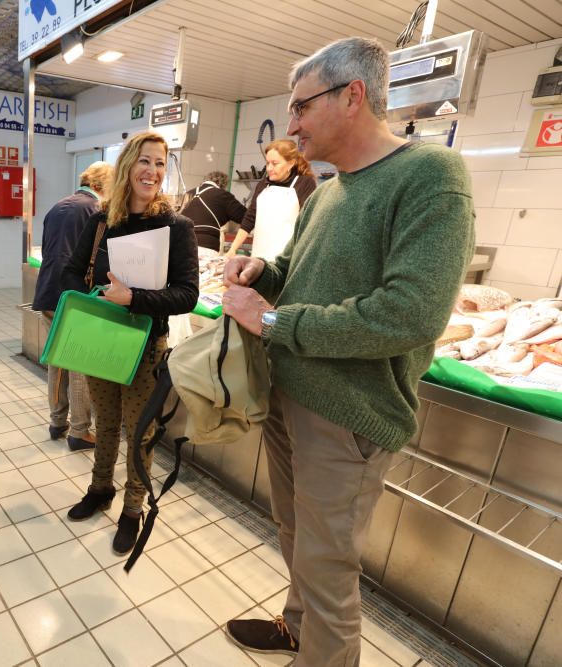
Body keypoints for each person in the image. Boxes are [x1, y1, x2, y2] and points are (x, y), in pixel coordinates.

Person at [219, 37, 474, 665]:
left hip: (350, 414)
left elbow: (410, 314)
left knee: (330, 568)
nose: (293, 125)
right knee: (296, 535)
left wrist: (274, 320)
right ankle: (295, 626)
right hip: (290, 396)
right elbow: (298, 271)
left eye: (302, 107)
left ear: (352, 95)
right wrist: (263, 273)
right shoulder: (329, 191)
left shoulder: (432, 175)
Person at [61, 131, 199, 554]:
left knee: (140, 432)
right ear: (126, 167)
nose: (152, 171)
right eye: (144, 161)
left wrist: (134, 298)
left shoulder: (177, 226)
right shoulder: (102, 221)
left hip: (146, 345)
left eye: (160, 163)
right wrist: (94, 300)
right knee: (105, 424)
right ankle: (100, 489)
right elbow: (70, 270)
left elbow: (187, 294)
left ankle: (132, 509)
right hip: (102, 339)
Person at [32, 161, 115, 451]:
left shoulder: (57, 206)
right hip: (75, 295)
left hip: (47, 292)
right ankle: (80, 431)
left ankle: (57, 421)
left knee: (58, 359)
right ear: (102, 186)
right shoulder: (96, 211)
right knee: (80, 364)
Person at [225, 140, 317, 259]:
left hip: (287, 258)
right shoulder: (263, 184)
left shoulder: (304, 183)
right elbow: (249, 218)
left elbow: (307, 223)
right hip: (259, 254)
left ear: (291, 163)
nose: (269, 168)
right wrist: (233, 249)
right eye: (267, 163)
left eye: (275, 163)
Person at [179, 170, 247, 252]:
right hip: (205, 245)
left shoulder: (188, 194)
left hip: (181, 243)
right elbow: (246, 217)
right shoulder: (222, 195)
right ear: (223, 185)